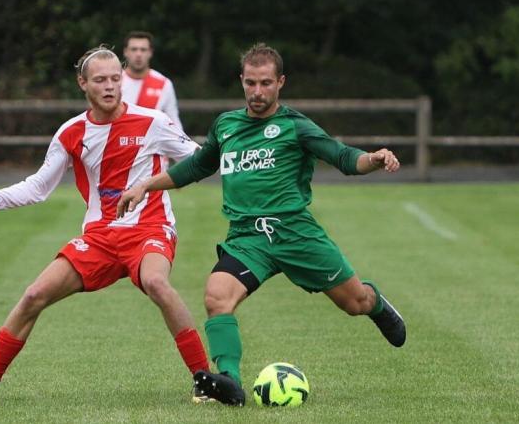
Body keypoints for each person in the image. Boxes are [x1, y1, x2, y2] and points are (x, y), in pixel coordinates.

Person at [117, 43, 406, 406]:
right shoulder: (226, 125)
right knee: (216, 297)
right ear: (241, 81)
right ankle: (229, 382)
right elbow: (195, 167)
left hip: (296, 234)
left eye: (266, 83)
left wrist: (374, 158)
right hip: (248, 238)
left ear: (280, 82)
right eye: (250, 83)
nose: (257, 92)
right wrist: (145, 184)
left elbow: (344, 157)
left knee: (354, 303)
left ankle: (376, 302)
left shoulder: (294, 125)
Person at [0, 45, 212, 404]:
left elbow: (200, 160)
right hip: (101, 239)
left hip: (150, 230)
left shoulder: (152, 122)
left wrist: (153, 184)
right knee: (33, 295)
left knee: (156, 282)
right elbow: (38, 187)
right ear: (82, 84)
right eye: (100, 80)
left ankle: (203, 380)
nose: (109, 87)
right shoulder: (71, 132)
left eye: (115, 79)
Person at [121, 31, 183, 132]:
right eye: (134, 49)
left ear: (150, 52)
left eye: (143, 49)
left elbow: (174, 123)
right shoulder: (113, 81)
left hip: (152, 146)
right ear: (125, 52)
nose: (138, 54)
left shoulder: (163, 84)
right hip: (118, 144)